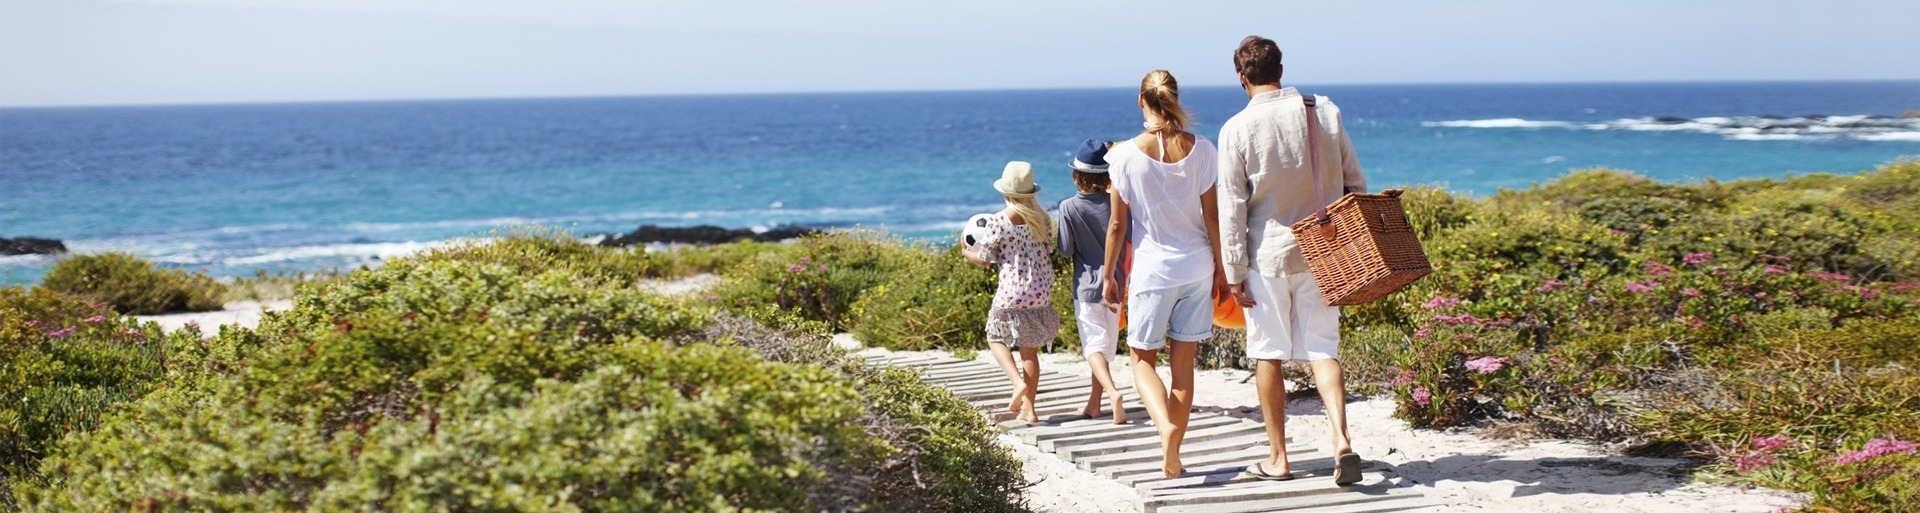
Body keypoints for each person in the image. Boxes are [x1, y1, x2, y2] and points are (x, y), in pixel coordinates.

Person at [1215, 35, 1369, 485]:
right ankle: (1341, 440)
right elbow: (1355, 183)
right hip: (1325, 253)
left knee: (1268, 353)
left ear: (1242, 79)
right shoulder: (1324, 111)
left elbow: (1232, 208)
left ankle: (1279, 458)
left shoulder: (1236, 129)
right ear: (1281, 69)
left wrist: (1233, 272)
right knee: (1324, 349)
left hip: (1268, 257)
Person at [1101, 70, 1225, 479]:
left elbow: (1118, 226)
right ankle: (1174, 454)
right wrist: (1223, 269)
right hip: (1197, 267)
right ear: (1173, 97)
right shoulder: (1203, 149)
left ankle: (1164, 428)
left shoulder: (1121, 156)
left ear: (1141, 101)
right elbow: (1212, 216)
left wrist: (1108, 275)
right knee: (1183, 367)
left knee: (1141, 360)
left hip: (1154, 272)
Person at [962, 161, 1060, 424]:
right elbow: (1047, 250)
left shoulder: (997, 221)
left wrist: (965, 252)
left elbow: (985, 259)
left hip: (1012, 291)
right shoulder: (1044, 220)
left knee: (995, 337)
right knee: (1029, 351)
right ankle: (1029, 409)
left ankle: (1017, 383)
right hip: (1040, 291)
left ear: (1005, 192)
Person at [1056, 139, 1127, 424]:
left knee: (1093, 347)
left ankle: (1111, 393)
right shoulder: (1118, 203)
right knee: (1106, 347)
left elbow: (1064, 249)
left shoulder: (1068, 207)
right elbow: (1127, 238)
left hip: (1086, 286)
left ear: (1077, 175)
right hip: (1117, 283)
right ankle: (1094, 404)